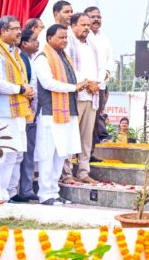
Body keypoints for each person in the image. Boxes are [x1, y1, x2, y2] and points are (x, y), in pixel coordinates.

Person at [33, 24, 88, 205]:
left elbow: (74, 79)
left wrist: (83, 82)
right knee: (48, 155)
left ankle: (54, 192)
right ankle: (44, 194)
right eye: (61, 38)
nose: (64, 41)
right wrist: (74, 87)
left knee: (60, 154)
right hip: (50, 114)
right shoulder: (43, 57)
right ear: (49, 39)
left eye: (66, 38)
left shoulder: (64, 57)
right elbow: (48, 83)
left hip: (66, 113)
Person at [0, 16, 35, 201]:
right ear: (3, 31)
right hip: (2, 111)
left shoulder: (14, 52)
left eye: (19, 28)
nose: (19, 32)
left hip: (18, 111)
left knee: (13, 155)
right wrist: (21, 89)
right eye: (14, 28)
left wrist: (27, 89)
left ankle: (4, 194)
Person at [61, 13, 100, 185]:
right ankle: (67, 173)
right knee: (70, 136)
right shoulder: (68, 43)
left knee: (86, 138)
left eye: (88, 25)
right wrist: (86, 82)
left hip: (92, 96)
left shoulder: (92, 44)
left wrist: (98, 82)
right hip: (75, 95)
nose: (86, 28)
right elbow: (68, 68)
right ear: (73, 25)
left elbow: (100, 67)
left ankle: (84, 172)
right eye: (82, 24)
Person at [12, 28, 40, 203]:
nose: (38, 43)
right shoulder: (20, 58)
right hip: (23, 109)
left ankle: (25, 188)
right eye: (34, 40)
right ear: (24, 43)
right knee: (21, 153)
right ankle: (22, 189)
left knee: (25, 153)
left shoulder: (27, 59)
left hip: (29, 110)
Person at [85, 6, 116, 158]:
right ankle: (79, 156)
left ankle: (90, 153)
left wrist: (107, 74)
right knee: (85, 122)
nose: (96, 19)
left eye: (99, 17)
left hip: (101, 85)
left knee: (96, 121)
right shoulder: (83, 37)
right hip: (86, 87)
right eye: (93, 17)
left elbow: (111, 59)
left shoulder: (104, 37)